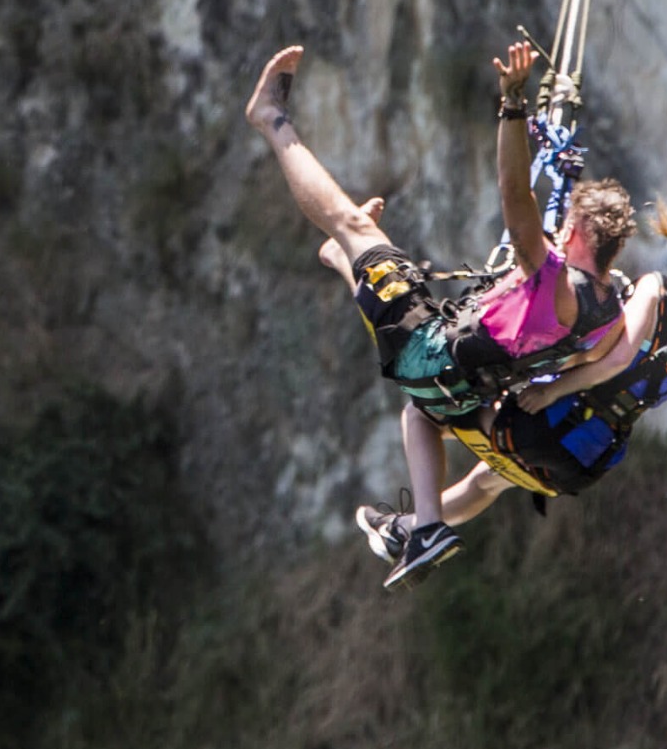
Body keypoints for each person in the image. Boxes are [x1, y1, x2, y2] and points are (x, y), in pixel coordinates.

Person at [246, 40, 637, 590]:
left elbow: (513, 193)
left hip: (429, 353)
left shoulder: (548, 273)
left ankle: (270, 120)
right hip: (465, 389)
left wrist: (513, 101)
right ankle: (428, 525)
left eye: (562, 226)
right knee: (420, 411)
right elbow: (605, 356)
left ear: (571, 233)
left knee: (352, 226)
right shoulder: (610, 314)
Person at [354, 193, 667, 568]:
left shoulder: (659, 291)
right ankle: (404, 527)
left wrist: (550, 389)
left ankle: (421, 528)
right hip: (579, 462)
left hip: (544, 419)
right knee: (489, 481)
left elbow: (614, 358)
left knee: (428, 407)